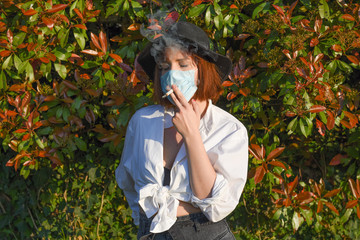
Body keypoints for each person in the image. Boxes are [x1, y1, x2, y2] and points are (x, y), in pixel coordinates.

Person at [115, 21, 248, 240]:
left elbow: (214, 203)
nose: (172, 75)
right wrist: (145, 223)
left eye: (183, 64)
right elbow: (129, 183)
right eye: (165, 67)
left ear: (201, 71)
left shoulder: (229, 130)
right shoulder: (142, 122)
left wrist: (191, 134)